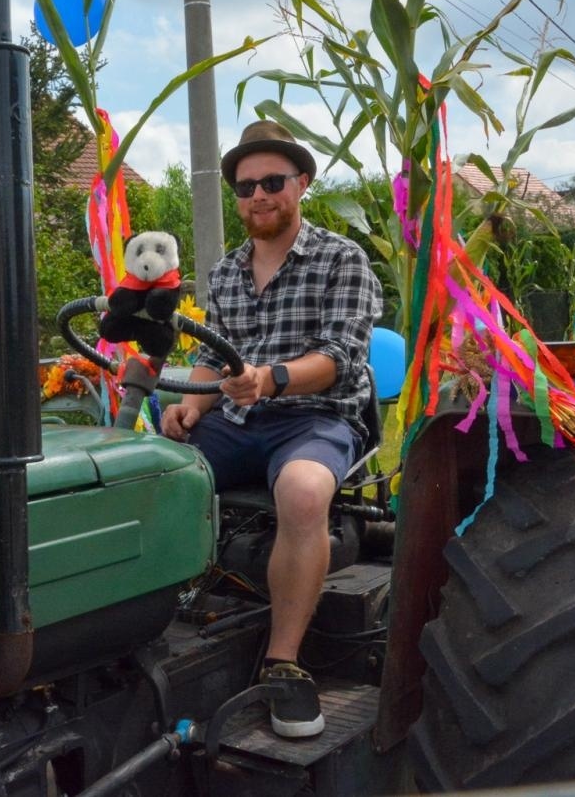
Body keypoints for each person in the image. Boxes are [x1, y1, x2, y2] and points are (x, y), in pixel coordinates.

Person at [160, 120, 378, 739]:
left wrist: (271, 378)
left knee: (304, 493)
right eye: (246, 186)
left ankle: (284, 662)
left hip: (317, 416)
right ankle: (150, 620)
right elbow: (214, 356)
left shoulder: (343, 259)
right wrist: (192, 407)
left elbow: (341, 358)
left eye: (272, 181)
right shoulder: (226, 272)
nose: (258, 195)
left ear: (301, 184)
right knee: (146, 467)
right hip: (237, 417)